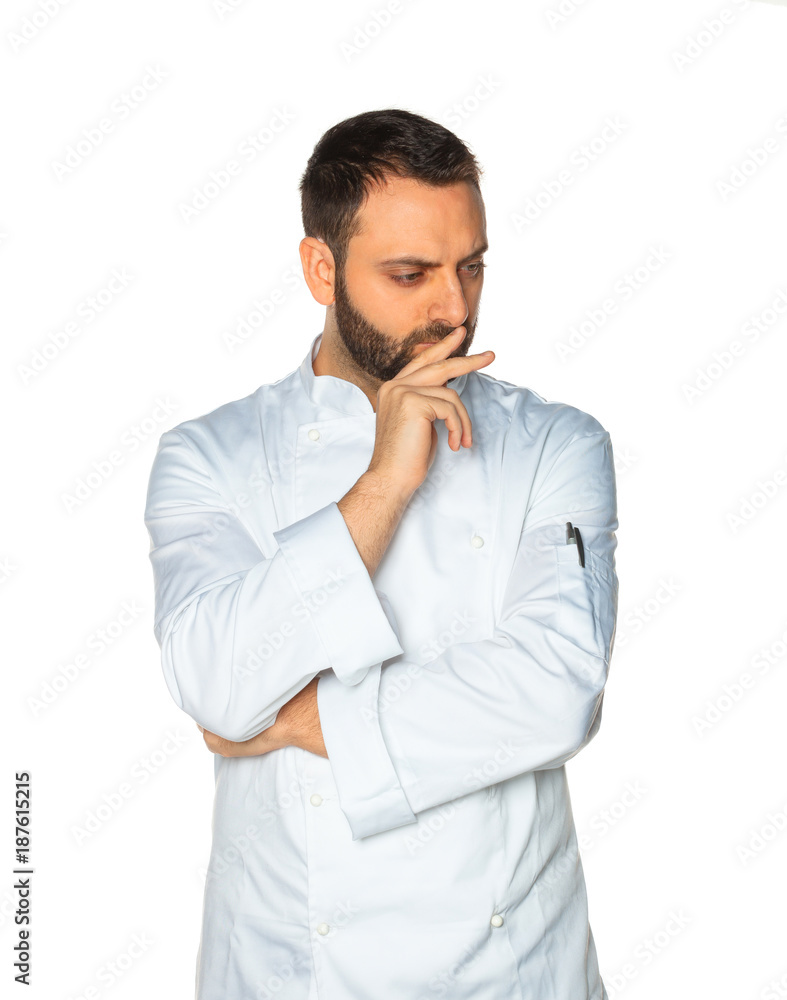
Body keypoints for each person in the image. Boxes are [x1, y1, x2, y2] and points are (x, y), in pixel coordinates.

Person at [144, 107, 619, 1000]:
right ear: (321, 269)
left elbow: (556, 692)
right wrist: (383, 486)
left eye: (470, 266)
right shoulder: (210, 456)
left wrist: (292, 718)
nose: (455, 308)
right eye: (411, 274)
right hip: (290, 971)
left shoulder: (557, 444)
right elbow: (212, 676)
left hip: (514, 973)